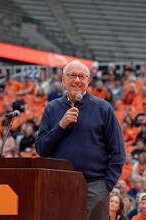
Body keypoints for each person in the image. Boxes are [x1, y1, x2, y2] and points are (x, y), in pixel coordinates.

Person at [35, 60, 126, 220]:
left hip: (94, 186)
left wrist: (106, 186)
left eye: (82, 76)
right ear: (63, 80)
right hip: (59, 185)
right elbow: (42, 150)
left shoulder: (103, 108)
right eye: (72, 76)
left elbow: (118, 152)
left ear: (88, 81)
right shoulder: (52, 108)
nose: (77, 80)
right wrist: (61, 125)